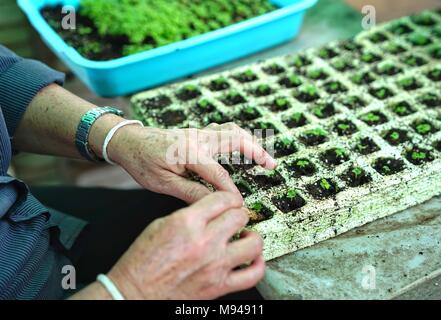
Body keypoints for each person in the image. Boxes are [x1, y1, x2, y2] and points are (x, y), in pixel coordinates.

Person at [0, 44, 277, 300]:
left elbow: (5, 81)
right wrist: (130, 290)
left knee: (172, 206)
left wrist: (121, 138)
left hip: (27, 223)